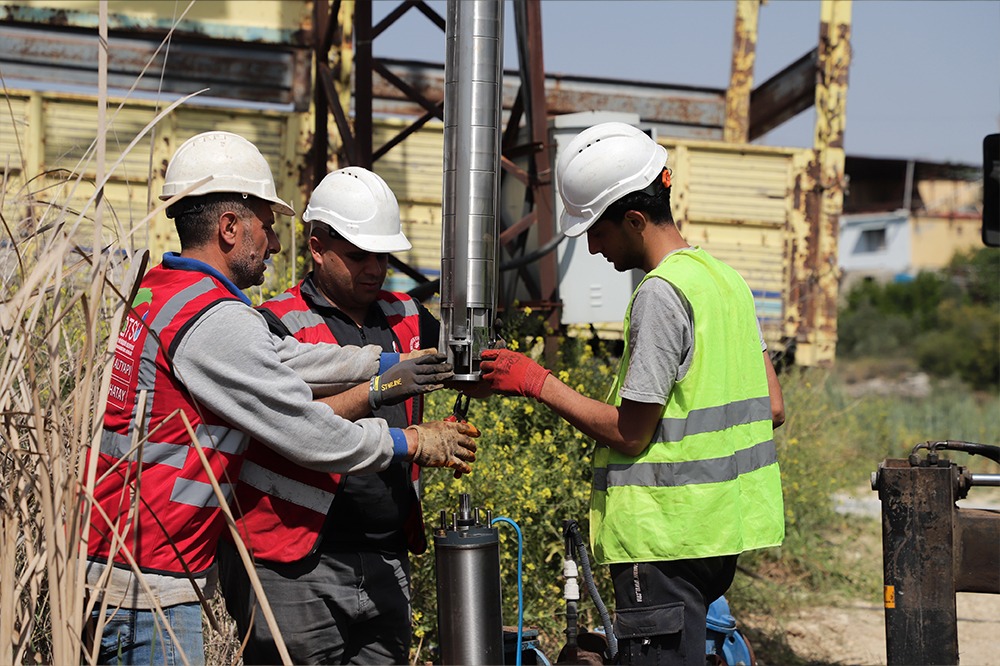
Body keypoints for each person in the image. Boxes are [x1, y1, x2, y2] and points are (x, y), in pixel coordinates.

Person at [84, 132, 479, 665]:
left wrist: (384, 364)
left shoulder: (171, 293)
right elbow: (305, 428)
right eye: (267, 226)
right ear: (229, 227)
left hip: (129, 558)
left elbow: (284, 358)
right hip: (150, 572)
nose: (273, 242)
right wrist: (409, 441)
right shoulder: (214, 318)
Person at [479, 121, 785, 665]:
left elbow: (630, 430)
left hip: (665, 540)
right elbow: (774, 407)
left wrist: (535, 381)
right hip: (717, 537)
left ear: (636, 219)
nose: (593, 248)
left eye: (596, 231)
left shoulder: (662, 295)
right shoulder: (726, 281)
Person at [217, 166, 448, 664]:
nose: (374, 269)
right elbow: (290, 424)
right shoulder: (275, 324)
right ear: (317, 247)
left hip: (386, 555)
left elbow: (466, 361)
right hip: (295, 563)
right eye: (357, 255)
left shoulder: (406, 314)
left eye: (382, 255)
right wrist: (381, 393)